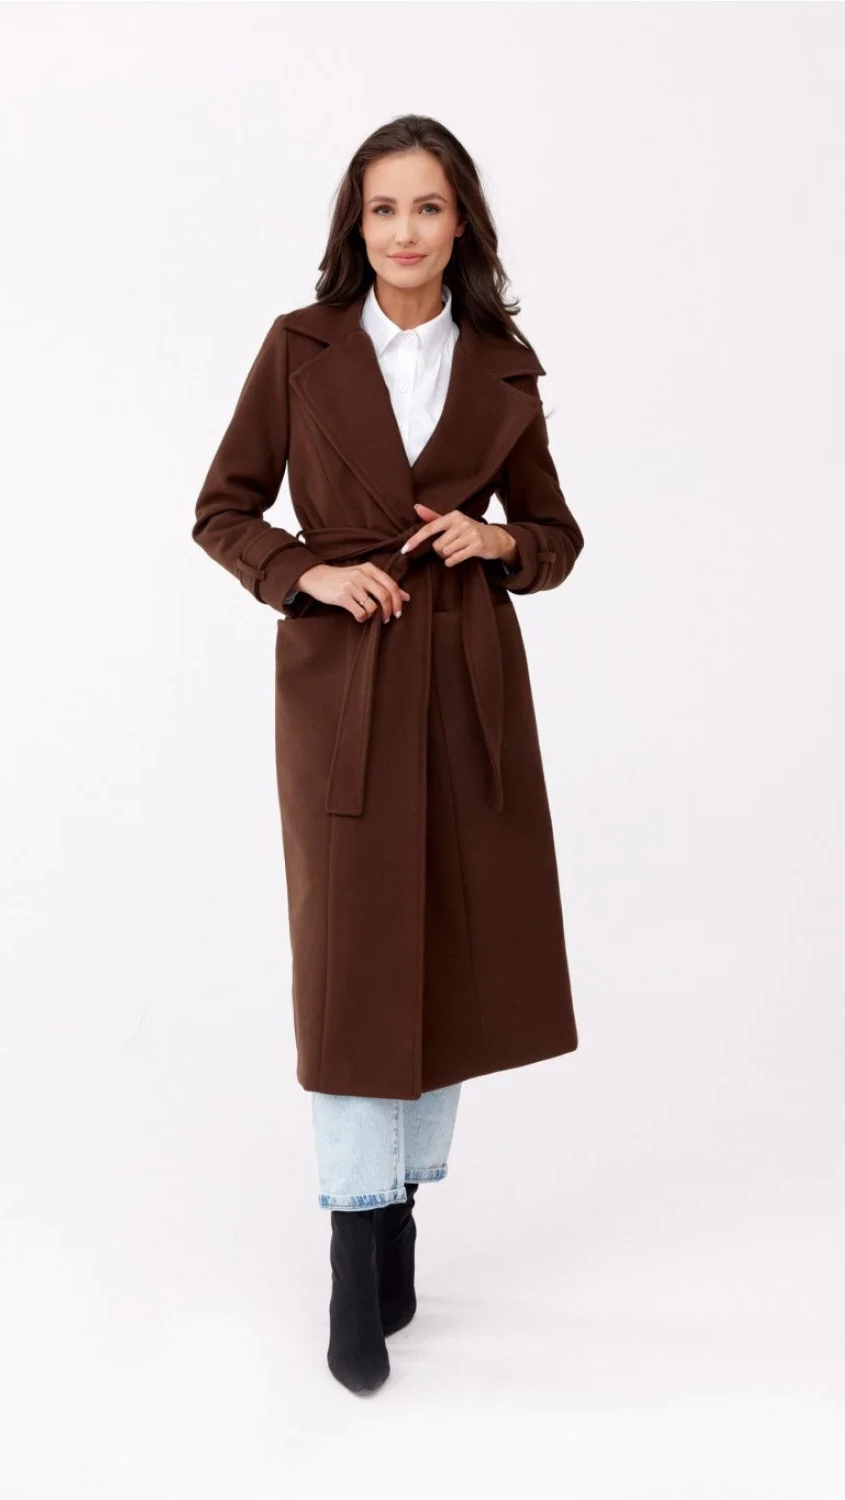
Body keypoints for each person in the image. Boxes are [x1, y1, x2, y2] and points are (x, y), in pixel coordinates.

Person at [191, 114, 584, 1396]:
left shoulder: (502, 365)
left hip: (468, 683)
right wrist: (309, 572)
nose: (404, 231)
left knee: (450, 948)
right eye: (382, 210)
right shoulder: (299, 348)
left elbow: (555, 533)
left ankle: (403, 1211)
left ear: (459, 222)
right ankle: (353, 1256)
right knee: (351, 962)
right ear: (353, 227)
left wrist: (497, 544)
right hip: (344, 689)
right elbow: (223, 508)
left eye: (426, 207)